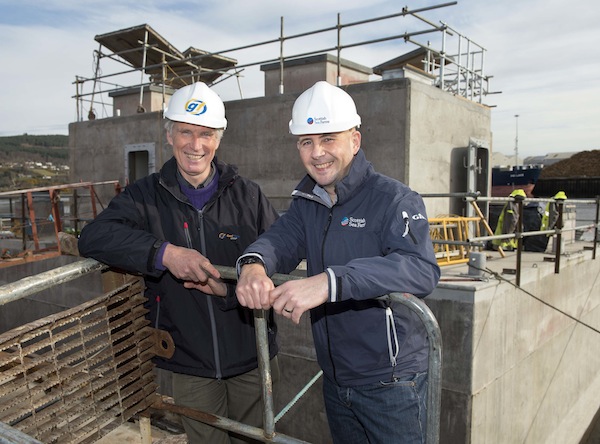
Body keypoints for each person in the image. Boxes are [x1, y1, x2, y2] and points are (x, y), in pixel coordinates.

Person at [235, 81, 441, 444]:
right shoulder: (308, 201)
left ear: (355, 141)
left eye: (328, 139)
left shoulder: (394, 199)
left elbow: (420, 268)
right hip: (335, 377)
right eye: (306, 142)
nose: (317, 153)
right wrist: (253, 263)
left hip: (391, 382)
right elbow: (280, 239)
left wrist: (330, 282)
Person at [78, 82, 280, 444]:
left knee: (258, 440)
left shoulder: (248, 196)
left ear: (218, 139)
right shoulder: (144, 196)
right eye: (185, 131)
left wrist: (229, 289)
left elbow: (280, 257)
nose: (195, 145)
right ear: (169, 134)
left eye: (205, 134)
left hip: (253, 354)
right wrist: (164, 253)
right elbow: (93, 237)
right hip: (190, 361)